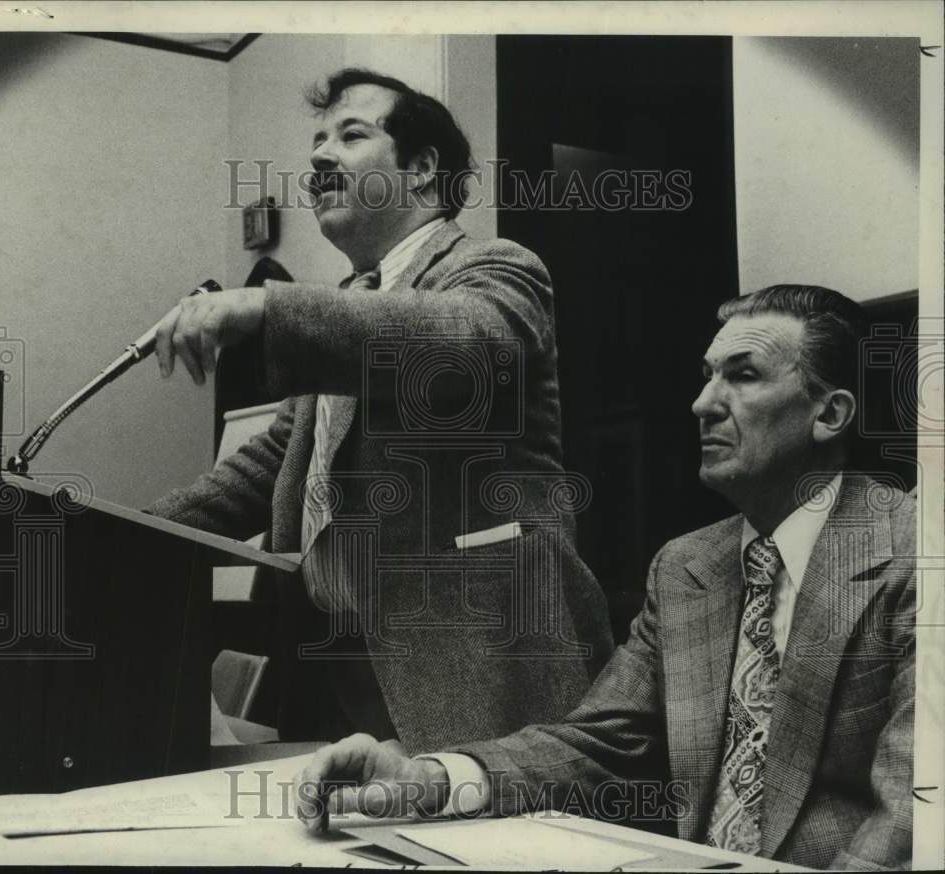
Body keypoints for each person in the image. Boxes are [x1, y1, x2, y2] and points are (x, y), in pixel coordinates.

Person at [295, 285, 915, 871]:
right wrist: (424, 779)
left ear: (830, 414)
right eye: (707, 377)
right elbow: (600, 745)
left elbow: (916, 815)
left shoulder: (919, 552)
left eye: (743, 376)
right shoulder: (686, 567)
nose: (702, 404)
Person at [147, 69, 614, 752]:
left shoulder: (497, 269)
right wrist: (119, 532)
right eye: (316, 141)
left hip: (475, 668)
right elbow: (264, 471)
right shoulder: (347, 306)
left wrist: (269, 305)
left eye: (350, 134)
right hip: (334, 675)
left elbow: (463, 346)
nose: (318, 157)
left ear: (423, 171)